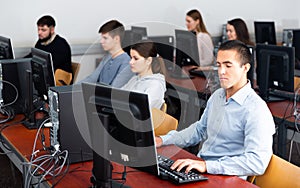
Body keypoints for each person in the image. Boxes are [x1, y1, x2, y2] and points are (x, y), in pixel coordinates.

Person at [155, 40, 275, 178]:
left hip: (226, 176)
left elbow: (257, 163)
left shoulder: (256, 110)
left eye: (228, 65)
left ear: (245, 68)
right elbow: (199, 130)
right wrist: (163, 140)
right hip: (203, 168)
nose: (221, 72)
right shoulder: (218, 96)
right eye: (219, 65)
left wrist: (208, 166)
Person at [79, 20, 134, 88]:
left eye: (105, 38)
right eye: (101, 38)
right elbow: (92, 78)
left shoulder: (127, 63)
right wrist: (70, 89)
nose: (101, 41)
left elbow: (114, 89)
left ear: (116, 39)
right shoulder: (107, 57)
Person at [121, 40, 166, 109]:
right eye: (131, 58)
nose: (130, 62)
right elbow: (119, 96)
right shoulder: (135, 79)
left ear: (148, 61)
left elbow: (142, 112)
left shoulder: (155, 86)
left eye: (136, 58)